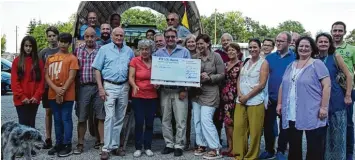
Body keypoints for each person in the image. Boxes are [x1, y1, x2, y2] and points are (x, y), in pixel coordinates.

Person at [276, 36, 331, 160]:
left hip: (312, 110)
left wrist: (323, 107)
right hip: (291, 111)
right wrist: (279, 104)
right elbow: (282, 85)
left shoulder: (317, 64)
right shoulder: (291, 65)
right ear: (297, 48)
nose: (303, 48)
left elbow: (327, 86)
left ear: (312, 49)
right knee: (294, 145)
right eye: (301, 46)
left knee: (314, 145)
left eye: (307, 46)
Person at [91, 27, 134, 160]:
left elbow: (133, 68)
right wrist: (100, 88)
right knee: (109, 117)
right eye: (116, 35)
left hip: (124, 86)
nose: (119, 38)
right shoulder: (104, 49)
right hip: (109, 85)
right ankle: (105, 148)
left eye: (121, 35)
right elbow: (97, 69)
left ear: (124, 36)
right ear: (112, 35)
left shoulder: (129, 51)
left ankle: (115, 146)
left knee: (120, 116)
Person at [154, 26, 190, 157]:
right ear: (164, 38)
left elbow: (188, 72)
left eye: (172, 37)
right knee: (165, 119)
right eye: (167, 37)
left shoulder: (184, 51)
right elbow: (155, 71)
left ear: (176, 38)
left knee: (180, 120)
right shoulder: (158, 53)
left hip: (179, 91)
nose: (170, 39)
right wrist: (156, 82)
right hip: (164, 91)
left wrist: (185, 89)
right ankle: (169, 144)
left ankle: (179, 145)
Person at [315, 32, 352, 160]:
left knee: (337, 133)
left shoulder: (335, 56)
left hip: (335, 98)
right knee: (319, 133)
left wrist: (347, 95)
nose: (323, 44)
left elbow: (349, 75)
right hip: (318, 98)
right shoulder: (313, 58)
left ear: (330, 44)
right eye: (320, 41)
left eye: (326, 41)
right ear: (316, 44)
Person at [260, 31, 295, 160]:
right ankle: (269, 150)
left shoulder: (295, 57)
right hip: (271, 99)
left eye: (281, 41)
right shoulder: (269, 58)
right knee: (268, 126)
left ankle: (281, 151)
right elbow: (264, 78)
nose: (278, 43)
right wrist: (265, 96)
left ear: (289, 43)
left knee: (284, 127)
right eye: (277, 40)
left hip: (287, 100)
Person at [233, 38, 269, 160]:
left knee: (255, 132)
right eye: (250, 47)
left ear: (260, 48)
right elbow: (239, 79)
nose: (252, 49)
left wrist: (247, 96)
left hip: (255, 101)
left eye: (255, 47)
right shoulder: (245, 61)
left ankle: (251, 157)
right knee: (238, 129)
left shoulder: (263, 63)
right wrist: (239, 93)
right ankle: (239, 155)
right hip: (241, 100)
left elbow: (262, 84)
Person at [190, 34, 224, 159]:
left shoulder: (216, 57)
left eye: (201, 44)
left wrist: (210, 78)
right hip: (196, 93)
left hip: (211, 92)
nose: (199, 46)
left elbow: (222, 74)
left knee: (206, 120)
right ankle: (201, 145)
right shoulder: (194, 57)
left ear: (208, 43)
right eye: (197, 44)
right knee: (197, 120)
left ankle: (215, 148)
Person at [45, 33, 79, 157]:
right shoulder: (50, 58)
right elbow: (47, 76)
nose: (63, 44)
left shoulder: (72, 58)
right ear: (58, 42)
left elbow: (71, 77)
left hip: (68, 95)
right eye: (61, 41)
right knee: (57, 119)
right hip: (53, 94)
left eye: (66, 42)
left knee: (66, 118)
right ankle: (58, 143)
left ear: (69, 44)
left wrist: (62, 90)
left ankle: (67, 144)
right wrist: (56, 90)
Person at [73, 27, 105, 154]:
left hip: (99, 87)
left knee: (101, 116)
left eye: (92, 36)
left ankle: (102, 143)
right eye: (87, 36)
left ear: (96, 37)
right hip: (83, 87)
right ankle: (80, 143)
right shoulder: (78, 50)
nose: (90, 39)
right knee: (82, 117)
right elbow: (75, 71)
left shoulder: (102, 50)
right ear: (84, 37)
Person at [128, 39, 157, 157]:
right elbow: (131, 77)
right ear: (139, 50)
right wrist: (134, 85)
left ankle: (148, 146)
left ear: (151, 50)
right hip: (138, 95)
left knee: (150, 122)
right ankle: (138, 147)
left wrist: (158, 84)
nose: (144, 51)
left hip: (152, 96)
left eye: (147, 49)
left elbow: (160, 75)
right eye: (142, 49)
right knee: (139, 121)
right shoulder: (135, 61)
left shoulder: (156, 61)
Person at [331, 21, 355, 160]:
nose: (337, 33)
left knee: (348, 122)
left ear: (345, 32)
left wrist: (350, 90)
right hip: (329, 90)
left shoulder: (351, 49)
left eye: (340, 31)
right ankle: (332, 149)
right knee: (330, 120)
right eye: (335, 30)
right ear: (331, 31)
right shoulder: (325, 48)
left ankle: (349, 152)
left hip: (346, 90)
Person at [11, 36, 44, 129]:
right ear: (23, 47)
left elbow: (41, 81)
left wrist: (36, 96)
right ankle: (22, 144)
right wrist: (22, 96)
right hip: (21, 100)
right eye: (26, 46)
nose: (28, 48)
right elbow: (14, 82)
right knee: (23, 125)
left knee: (31, 124)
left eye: (30, 46)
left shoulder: (39, 62)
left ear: (34, 47)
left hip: (34, 99)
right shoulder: (17, 61)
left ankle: (31, 144)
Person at [38, 26, 60, 149]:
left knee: (59, 112)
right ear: (47, 38)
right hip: (47, 87)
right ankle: (48, 138)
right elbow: (39, 70)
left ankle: (59, 138)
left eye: (54, 35)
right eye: (49, 36)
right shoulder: (43, 52)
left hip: (59, 86)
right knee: (48, 112)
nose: (52, 38)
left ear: (57, 36)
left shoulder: (62, 50)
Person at [220, 42, 243, 157]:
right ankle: (230, 147)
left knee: (235, 123)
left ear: (238, 52)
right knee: (227, 123)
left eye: (233, 50)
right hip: (224, 97)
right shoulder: (224, 65)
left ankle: (235, 147)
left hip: (235, 95)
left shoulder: (242, 64)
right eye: (229, 50)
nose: (231, 52)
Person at [183, 34, 197, 150]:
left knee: (197, 118)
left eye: (193, 42)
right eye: (189, 42)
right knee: (186, 117)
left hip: (198, 91)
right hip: (186, 90)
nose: (191, 44)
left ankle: (198, 142)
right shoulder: (182, 55)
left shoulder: (200, 55)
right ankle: (186, 140)